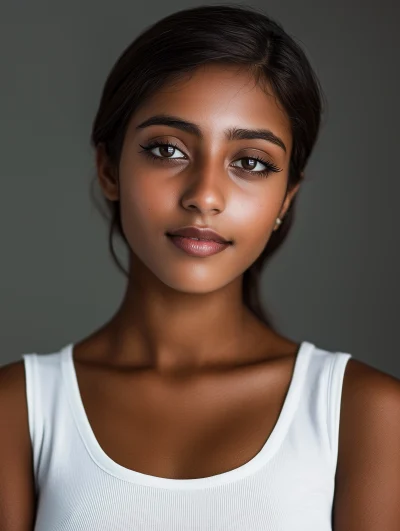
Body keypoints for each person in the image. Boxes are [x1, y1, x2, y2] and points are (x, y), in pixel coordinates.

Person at [1, 4, 399, 530]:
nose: (205, 196)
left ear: (286, 197)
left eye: (251, 162)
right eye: (167, 150)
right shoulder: (18, 410)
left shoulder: (366, 414)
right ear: (109, 168)